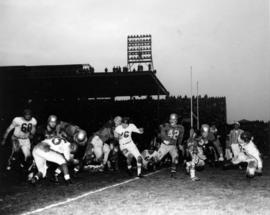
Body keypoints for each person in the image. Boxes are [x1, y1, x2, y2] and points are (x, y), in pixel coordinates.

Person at [156, 113, 184, 178]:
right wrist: (165, 138)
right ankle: (146, 160)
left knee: (176, 158)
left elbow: (180, 137)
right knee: (156, 159)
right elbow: (162, 132)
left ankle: (173, 172)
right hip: (164, 145)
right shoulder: (166, 125)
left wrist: (179, 144)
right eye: (171, 119)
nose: (172, 121)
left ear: (176, 120)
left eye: (173, 119)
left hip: (173, 146)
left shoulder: (180, 128)